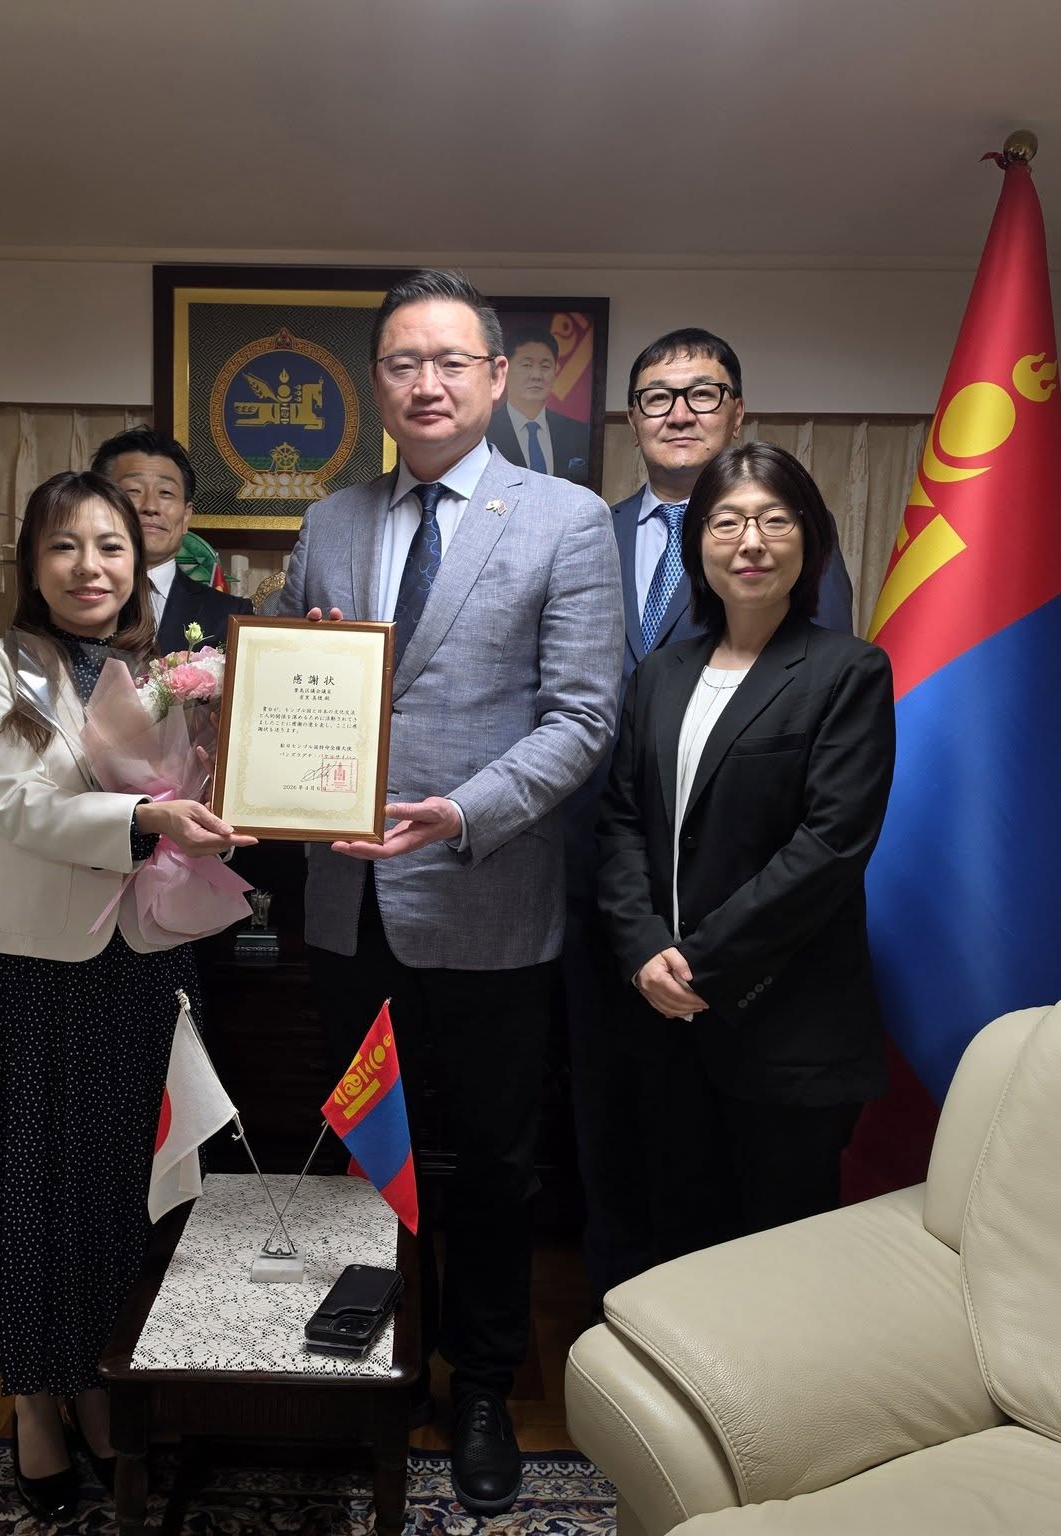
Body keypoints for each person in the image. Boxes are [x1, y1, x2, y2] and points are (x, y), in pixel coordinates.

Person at [278, 269, 622, 1516]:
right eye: (400, 363)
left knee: (488, 1163)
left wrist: (462, 813)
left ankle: (478, 1383)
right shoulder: (330, 519)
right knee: (366, 1146)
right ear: (375, 384)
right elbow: (286, 688)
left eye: (448, 362)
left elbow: (582, 716)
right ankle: (373, 1361)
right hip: (345, 908)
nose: (424, 384)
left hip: (484, 900)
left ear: (492, 377)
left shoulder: (565, 520)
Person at [0, 471, 251, 1518]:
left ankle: (99, 1384)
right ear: (31, 563)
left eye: (109, 546)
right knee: (30, 1195)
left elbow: (218, 785)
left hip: (143, 964)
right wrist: (145, 822)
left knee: (116, 1195)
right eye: (64, 546)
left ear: (138, 560)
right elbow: (12, 808)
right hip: (32, 972)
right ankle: (34, 1404)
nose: (89, 567)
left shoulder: (170, 669)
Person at [562, 327, 856, 1304]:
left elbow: (815, 772)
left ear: (736, 411)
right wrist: (636, 927)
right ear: (632, 418)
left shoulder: (793, 562)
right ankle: (621, 1330)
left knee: (749, 1185)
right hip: (601, 896)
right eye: (658, 396)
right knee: (620, 1138)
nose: (679, 411)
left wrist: (708, 950)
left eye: (703, 392)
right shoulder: (586, 534)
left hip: (745, 929)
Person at [596, 441, 894, 1265]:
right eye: (726, 522)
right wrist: (643, 948)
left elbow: (830, 846)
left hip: (786, 1027)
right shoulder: (659, 674)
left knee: (776, 1266)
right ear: (698, 544)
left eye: (774, 521)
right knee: (673, 1247)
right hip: (662, 1022)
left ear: (809, 539)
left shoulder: (848, 672)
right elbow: (621, 822)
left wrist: (701, 964)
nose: (750, 542)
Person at [91, 425, 253, 652]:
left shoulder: (230, 617)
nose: (150, 507)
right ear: (96, 505)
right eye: (132, 491)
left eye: (166, 493)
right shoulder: (66, 603)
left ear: (186, 517)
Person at [486, 320, 593, 482]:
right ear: (504, 370)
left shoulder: (578, 432)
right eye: (526, 365)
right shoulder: (485, 431)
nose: (536, 375)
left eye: (545, 366)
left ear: (555, 372)